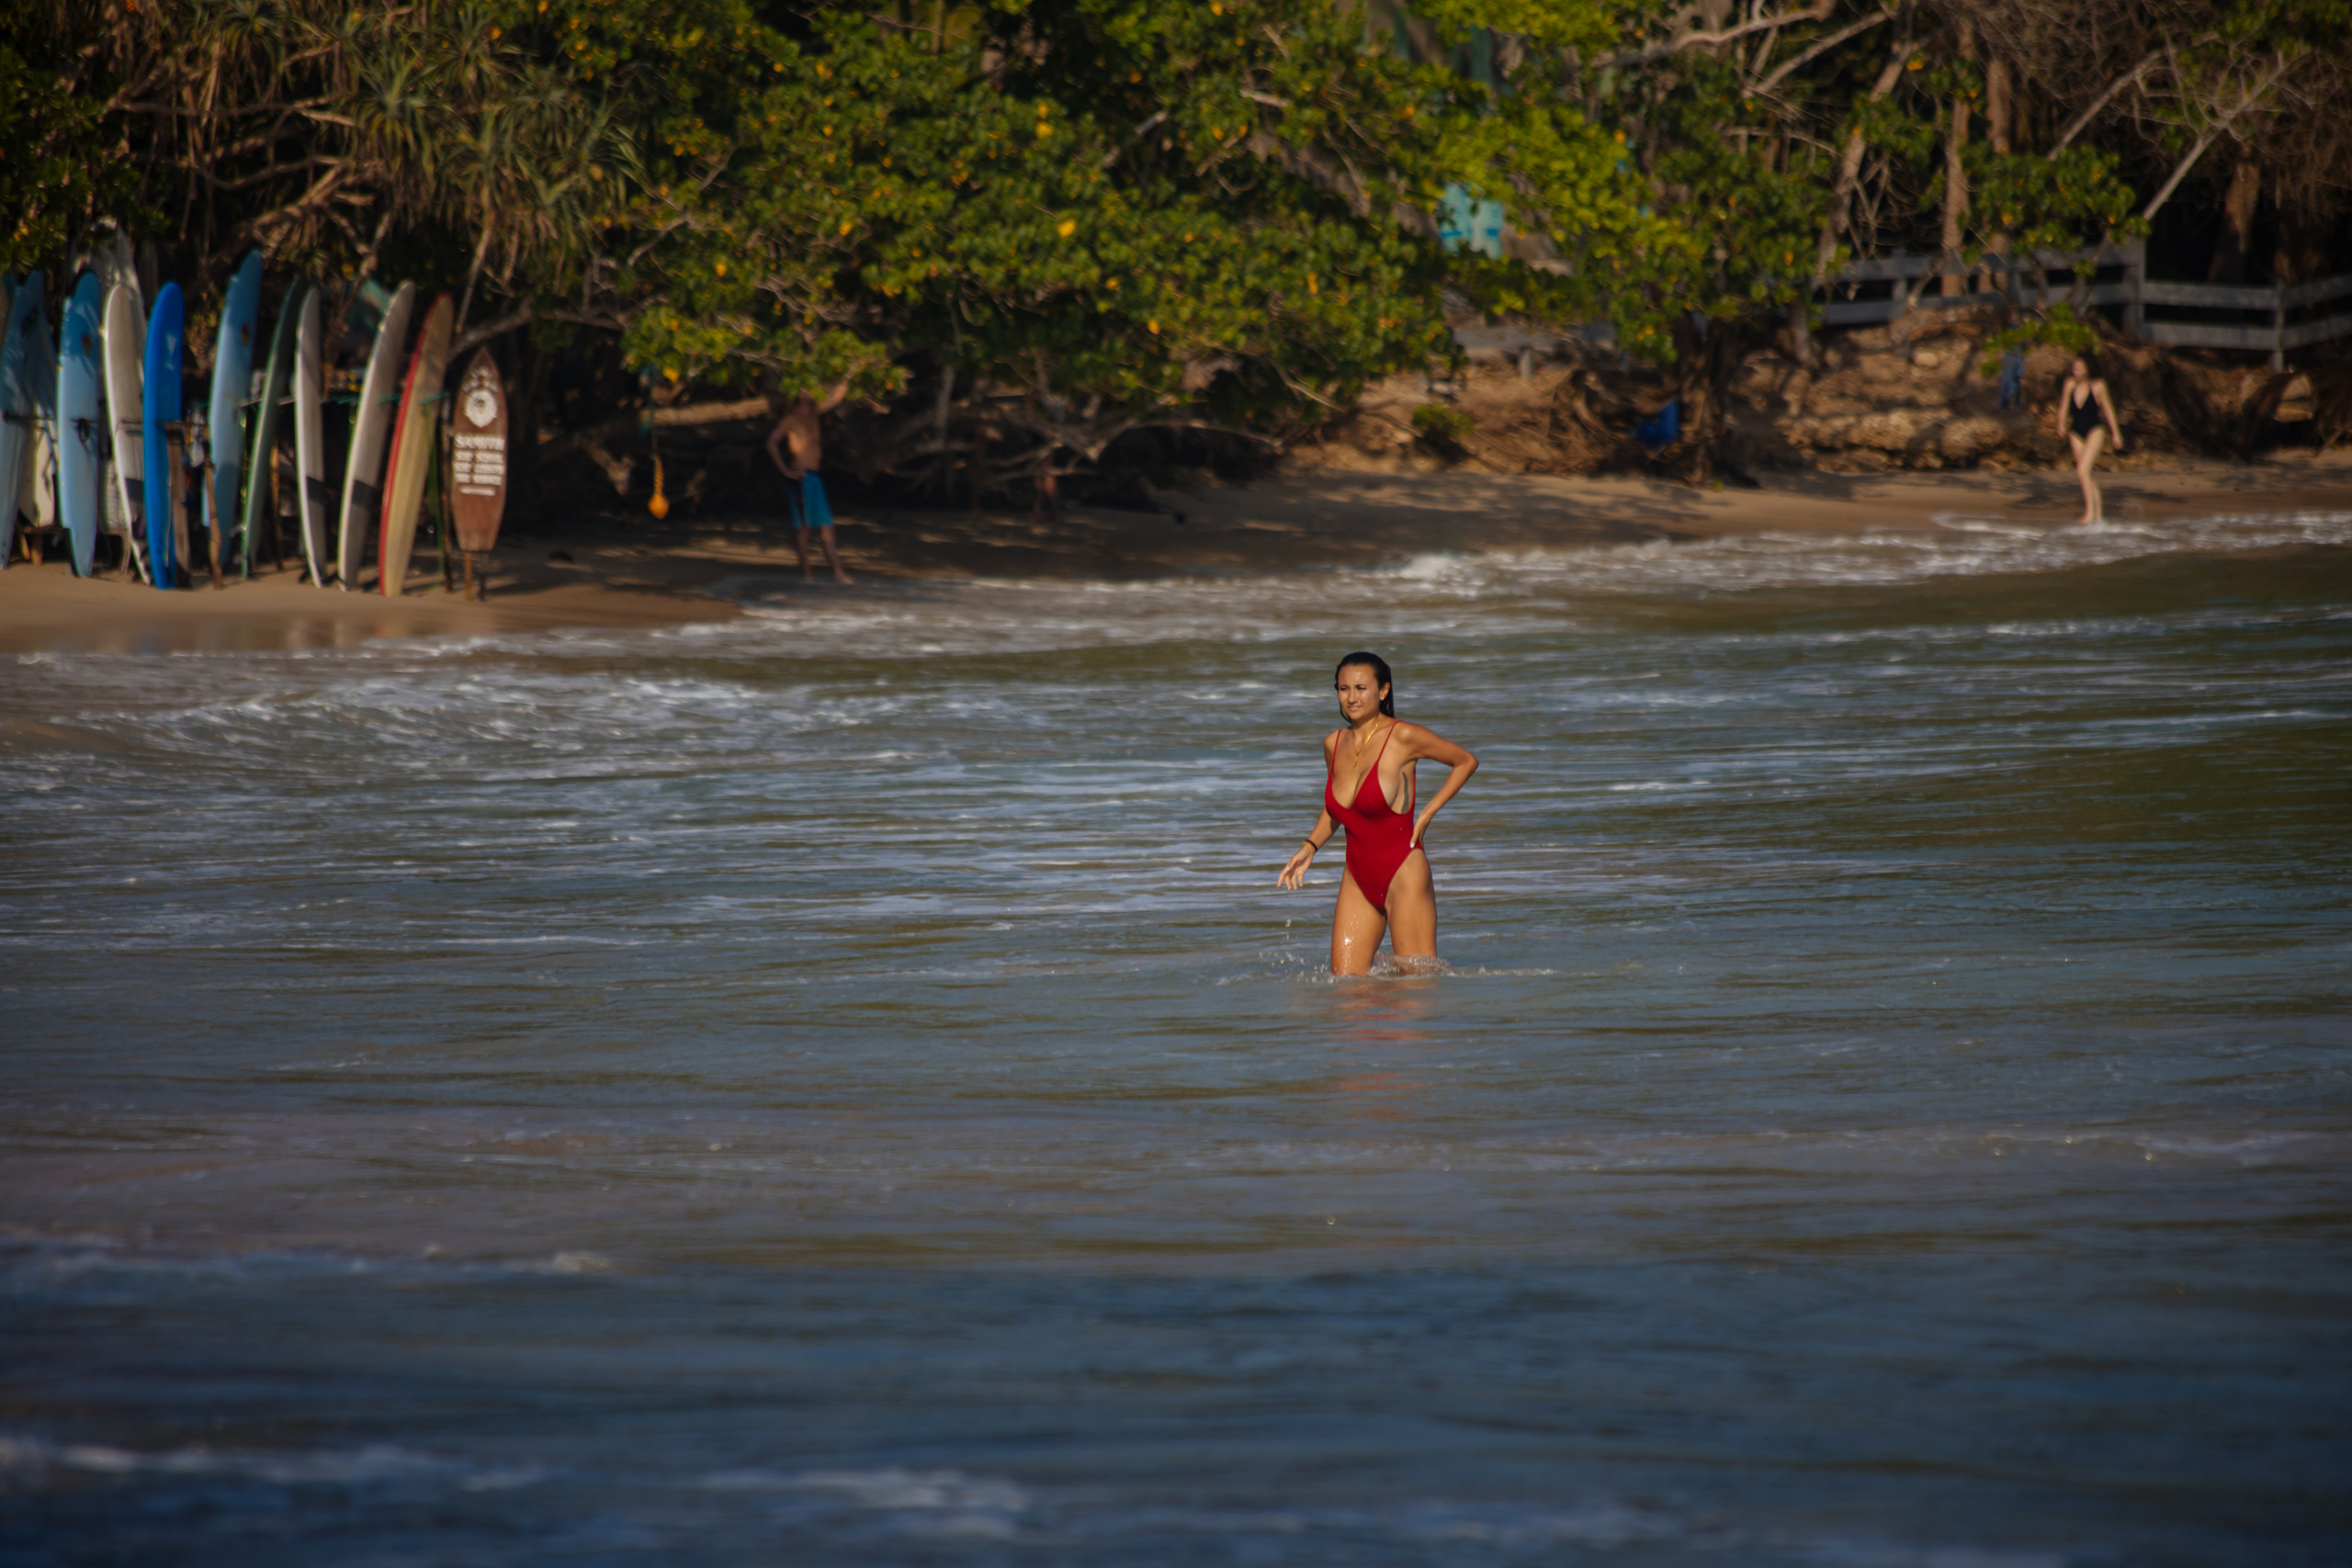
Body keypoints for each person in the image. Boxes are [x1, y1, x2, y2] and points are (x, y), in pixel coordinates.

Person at [1277, 652, 1478, 976]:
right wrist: (1310, 846)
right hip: (1357, 877)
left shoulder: (1403, 737)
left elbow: (1465, 761)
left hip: (1403, 873)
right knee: (1345, 987)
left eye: (1361, 688)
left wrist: (1427, 813)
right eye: (1344, 689)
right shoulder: (1334, 743)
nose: (1351, 698)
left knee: (1416, 986)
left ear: (1383, 691)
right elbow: (1339, 809)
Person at [764, 381, 853, 583]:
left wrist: (848, 376)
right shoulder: (790, 419)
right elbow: (771, 443)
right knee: (805, 529)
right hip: (800, 477)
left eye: (810, 389)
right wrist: (786, 470)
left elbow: (836, 397)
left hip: (815, 477)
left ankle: (838, 573)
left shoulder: (815, 412)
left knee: (827, 527)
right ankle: (807, 574)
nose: (808, 393)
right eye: (804, 389)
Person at [2055, 353, 2123, 525]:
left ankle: (2090, 513)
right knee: (2087, 473)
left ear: (2088, 369)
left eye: (2079, 368)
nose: (2075, 371)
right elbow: (2064, 406)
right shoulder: (2070, 384)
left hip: (2095, 431)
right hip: (2075, 432)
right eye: (2074, 368)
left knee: (2082, 471)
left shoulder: (2098, 385)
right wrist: (2061, 424)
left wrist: (2116, 433)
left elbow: (2108, 410)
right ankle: (2098, 515)